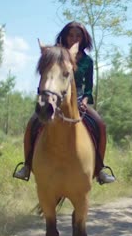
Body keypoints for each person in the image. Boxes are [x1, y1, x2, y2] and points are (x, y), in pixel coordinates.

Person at [13, 21, 115, 184]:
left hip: (79, 99)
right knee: (32, 122)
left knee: (100, 124)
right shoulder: (55, 54)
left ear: (83, 38)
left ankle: (99, 168)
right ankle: (27, 164)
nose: (74, 38)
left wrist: (86, 99)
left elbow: (89, 85)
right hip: (55, 97)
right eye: (71, 35)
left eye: (78, 36)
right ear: (65, 36)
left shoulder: (87, 61)